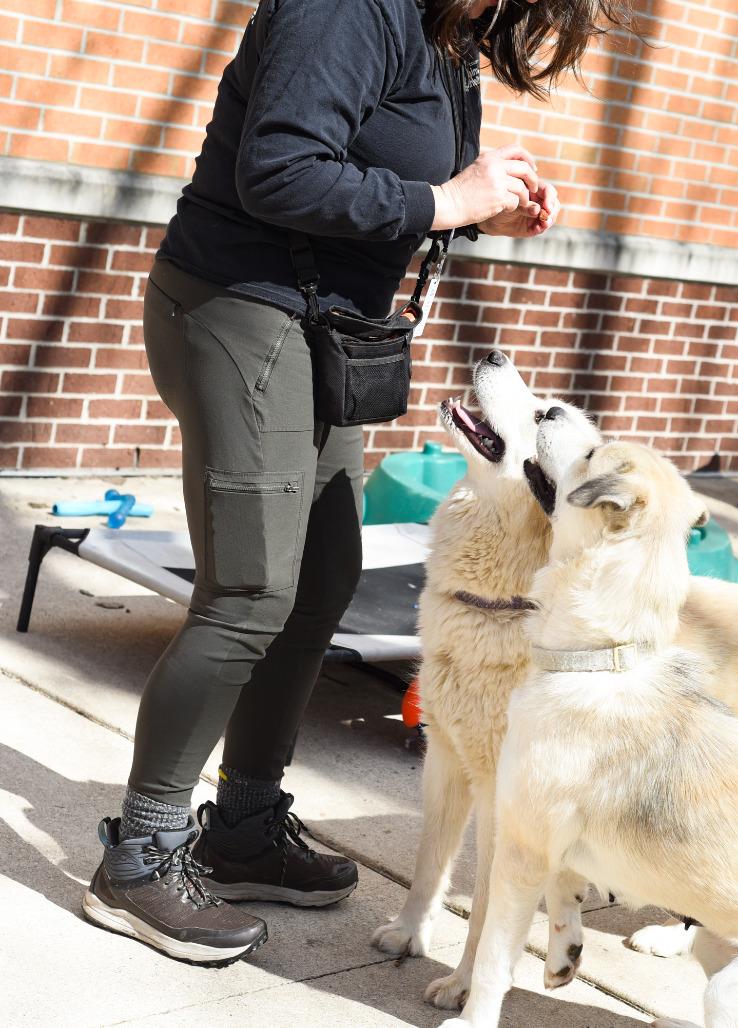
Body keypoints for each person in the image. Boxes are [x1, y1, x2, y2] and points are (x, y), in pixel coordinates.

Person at [81, 0, 630, 966]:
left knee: (322, 580)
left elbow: (386, 178)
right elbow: (278, 169)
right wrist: (443, 201)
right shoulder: (345, 8)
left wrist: (477, 209)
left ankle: (243, 826)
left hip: (323, 328)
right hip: (240, 310)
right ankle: (140, 856)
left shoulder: (445, 31)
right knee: (250, 592)